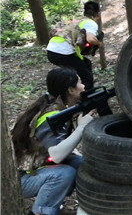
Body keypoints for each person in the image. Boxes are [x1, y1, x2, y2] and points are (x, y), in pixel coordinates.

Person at [11, 68, 95, 215]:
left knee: (80, 163)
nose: (84, 87)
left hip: (33, 168)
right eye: (80, 82)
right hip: (17, 179)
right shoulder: (51, 115)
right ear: (70, 90)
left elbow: (57, 143)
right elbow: (56, 155)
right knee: (64, 174)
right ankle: (41, 212)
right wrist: (81, 128)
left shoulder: (53, 105)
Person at [47, 1, 103, 90]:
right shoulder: (90, 23)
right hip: (61, 53)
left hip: (52, 50)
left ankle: (75, 90)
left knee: (86, 63)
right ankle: (86, 98)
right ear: (98, 14)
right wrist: (99, 43)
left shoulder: (78, 20)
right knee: (86, 76)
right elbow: (91, 39)